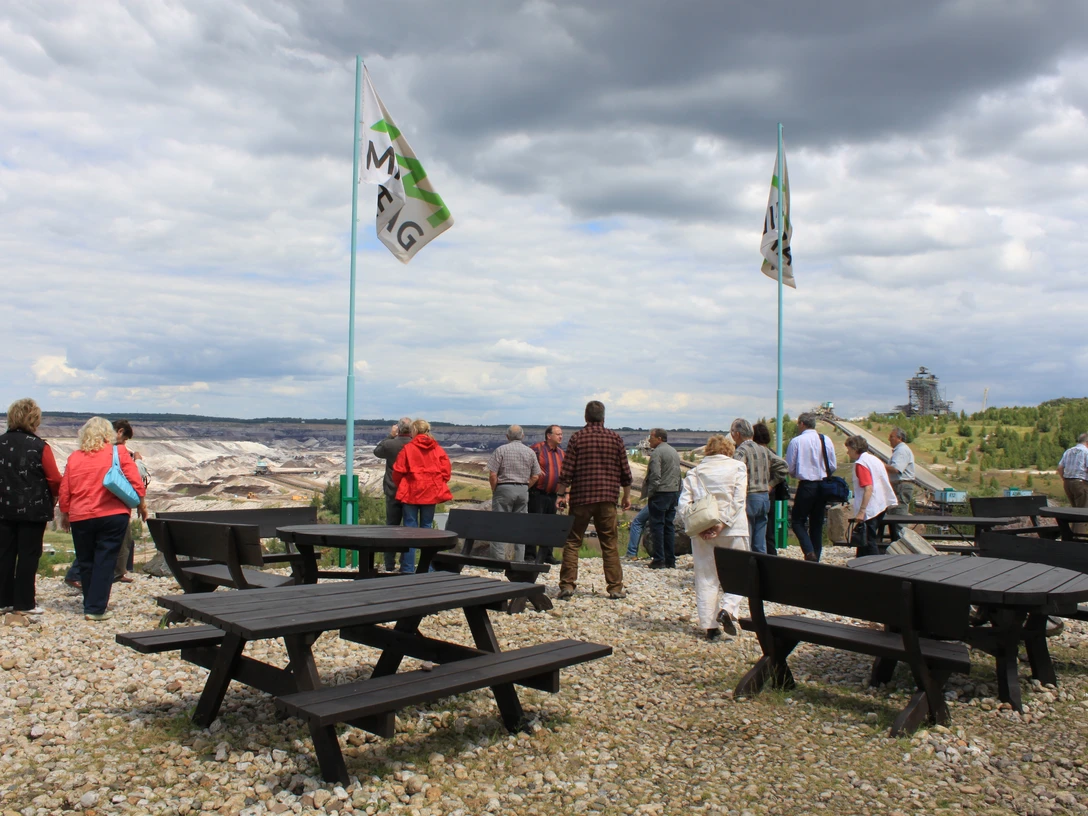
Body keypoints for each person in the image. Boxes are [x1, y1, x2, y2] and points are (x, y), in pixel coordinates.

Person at [59, 417, 147, 621]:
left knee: (86, 560)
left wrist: (65, 514)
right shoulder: (118, 452)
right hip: (112, 514)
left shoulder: (74, 458)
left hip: (81, 516)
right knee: (105, 560)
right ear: (108, 434)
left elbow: (66, 489)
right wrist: (142, 505)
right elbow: (135, 480)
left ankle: (90, 602)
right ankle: (95, 608)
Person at [555, 401, 632, 600]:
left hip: (581, 498)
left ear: (585, 417)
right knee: (609, 542)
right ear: (604, 418)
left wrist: (561, 495)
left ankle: (568, 585)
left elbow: (567, 471)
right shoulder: (615, 438)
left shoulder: (577, 438)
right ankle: (615, 587)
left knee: (573, 541)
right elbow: (625, 471)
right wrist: (627, 495)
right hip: (607, 499)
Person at [677, 435, 749, 641]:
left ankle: (710, 626)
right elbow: (739, 500)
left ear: (708, 450)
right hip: (733, 529)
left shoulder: (695, 472)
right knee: (739, 573)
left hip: (703, 530)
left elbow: (683, 505)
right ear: (729, 450)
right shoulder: (738, 468)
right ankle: (728, 608)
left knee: (706, 576)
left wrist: (700, 526)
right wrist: (722, 523)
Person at [0, 399, 62, 617]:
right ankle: (24, 603)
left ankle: (3, 600)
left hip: (3, 510)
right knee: (28, 555)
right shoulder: (40, 446)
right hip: (32, 511)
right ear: (34, 420)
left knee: (4, 554)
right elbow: (54, 479)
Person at [731, 418, 787, 555]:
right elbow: (783, 466)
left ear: (737, 434)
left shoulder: (741, 451)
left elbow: (734, 472)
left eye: (732, 432)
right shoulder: (763, 450)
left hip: (750, 496)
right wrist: (770, 484)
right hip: (764, 497)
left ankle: (749, 571)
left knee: (747, 539)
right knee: (760, 541)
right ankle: (762, 570)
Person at [785, 413, 836, 562]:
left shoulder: (797, 441)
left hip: (807, 484)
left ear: (802, 424)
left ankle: (809, 551)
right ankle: (816, 558)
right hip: (823, 485)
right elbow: (832, 465)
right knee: (817, 523)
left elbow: (790, 467)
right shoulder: (825, 440)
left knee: (797, 521)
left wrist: (797, 474)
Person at [487, 425, 540, 560]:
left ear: (507, 437)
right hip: (522, 489)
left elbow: (493, 474)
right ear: (522, 436)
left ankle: (498, 561)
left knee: (499, 525)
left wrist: (495, 489)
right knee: (520, 526)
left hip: (504, 488)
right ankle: (519, 560)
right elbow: (536, 476)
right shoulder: (530, 452)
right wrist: (525, 487)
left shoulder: (501, 450)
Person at [392, 419, 452, 533]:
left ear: (414, 431)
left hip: (411, 491)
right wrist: (437, 482)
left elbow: (398, 471)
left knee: (410, 528)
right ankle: (427, 550)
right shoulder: (437, 449)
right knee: (427, 526)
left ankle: (410, 551)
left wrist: (402, 485)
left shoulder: (408, 449)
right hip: (431, 491)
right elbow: (446, 472)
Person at [374, 417, 416, 573]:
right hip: (411, 492)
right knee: (410, 528)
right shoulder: (414, 445)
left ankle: (389, 563)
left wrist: (390, 435)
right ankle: (406, 563)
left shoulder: (390, 444)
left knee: (391, 527)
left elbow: (377, 451)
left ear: (398, 429)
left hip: (393, 490)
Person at [844, 435, 898, 557]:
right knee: (865, 540)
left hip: (870, 507)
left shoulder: (861, 464)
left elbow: (868, 488)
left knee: (868, 541)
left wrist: (862, 511)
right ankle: (860, 565)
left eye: (849, 449)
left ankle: (873, 568)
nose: (848, 452)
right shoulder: (874, 459)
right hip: (880, 504)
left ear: (854, 448)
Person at [644, 428, 682, 569]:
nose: (649, 440)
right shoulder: (674, 452)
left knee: (657, 526)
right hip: (673, 492)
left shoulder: (657, 453)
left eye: (651, 437)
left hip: (660, 493)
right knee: (669, 526)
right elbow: (678, 474)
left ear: (659, 438)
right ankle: (670, 560)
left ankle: (659, 559)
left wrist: (651, 492)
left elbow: (655, 475)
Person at [527, 425, 564, 564]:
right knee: (534, 523)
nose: (561, 436)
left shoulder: (561, 453)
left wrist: (564, 494)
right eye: (558, 434)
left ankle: (547, 554)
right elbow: (526, 463)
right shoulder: (537, 449)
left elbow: (564, 474)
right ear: (549, 436)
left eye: (561, 434)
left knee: (550, 525)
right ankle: (530, 554)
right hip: (537, 493)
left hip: (553, 495)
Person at [754, 422, 788, 556]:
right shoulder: (770, 452)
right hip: (770, 495)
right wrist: (772, 485)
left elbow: (783, 467)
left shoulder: (761, 453)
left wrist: (770, 485)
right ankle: (771, 558)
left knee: (759, 529)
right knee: (769, 532)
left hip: (760, 494)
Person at [884, 427, 915, 540]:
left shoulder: (901, 451)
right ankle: (896, 544)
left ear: (899, 438)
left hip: (901, 486)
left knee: (898, 517)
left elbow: (896, 469)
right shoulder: (900, 450)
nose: (889, 439)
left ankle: (901, 545)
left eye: (891, 437)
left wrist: (879, 465)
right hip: (898, 485)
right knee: (894, 517)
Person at [1057, 432, 1088, 536]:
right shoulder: (1086, 452)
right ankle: (1079, 539)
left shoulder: (1068, 451)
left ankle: (1071, 535)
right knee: (1083, 512)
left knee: (1075, 511)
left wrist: (1065, 479)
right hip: (1080, 483)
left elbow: (1060, 468)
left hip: (1067, 483)